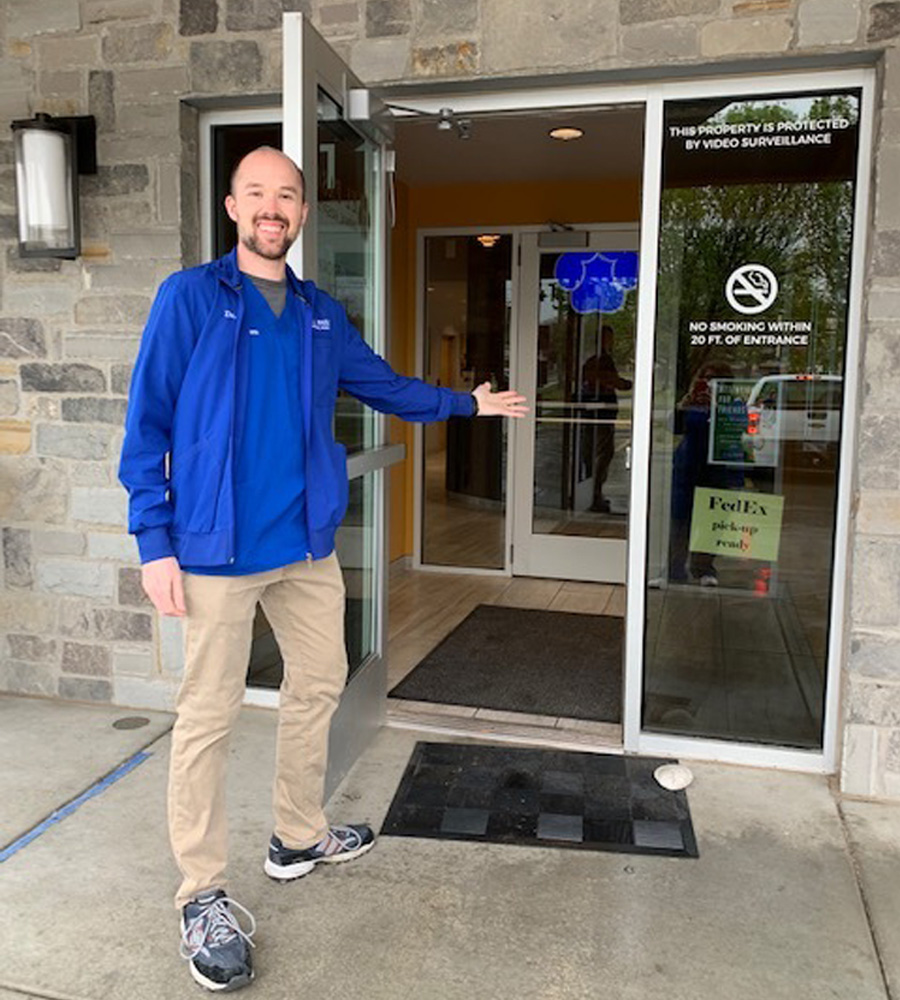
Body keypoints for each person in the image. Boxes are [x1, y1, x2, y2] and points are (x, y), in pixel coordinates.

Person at [118, 146, 527, 993]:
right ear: (234, 207)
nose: (273, 208)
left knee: (319, 684)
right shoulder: (189, 298)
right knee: (208, 717)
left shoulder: (318, 314)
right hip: (215, 549)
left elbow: (383, 386)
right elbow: (146, 425)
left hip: (304, 547)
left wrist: (466, 403)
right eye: (258, 193)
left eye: (288, 196)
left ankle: (297, 834)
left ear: (302, 214)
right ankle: (201, 895)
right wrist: (154, 541)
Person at [580, 324, 632, 513]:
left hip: (596, 413)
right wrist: (627, 384)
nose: (611, 342)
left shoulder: (592, 359)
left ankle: (593, 492)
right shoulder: (601, 360)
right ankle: (595, 493)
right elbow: (611, 381)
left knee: (593, 452)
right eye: (609, 338)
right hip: (600, 414)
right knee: (603, 452)